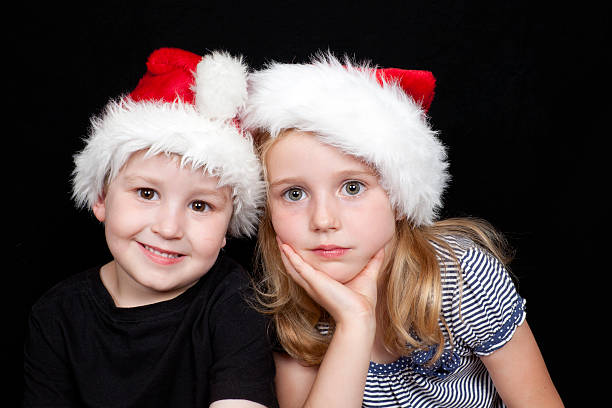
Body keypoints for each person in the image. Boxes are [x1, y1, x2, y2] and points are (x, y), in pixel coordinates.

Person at [242, 53, 563, 407]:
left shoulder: (462, 277)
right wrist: (354, 323)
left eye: (352, 187)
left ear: (399, 197)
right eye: (295, 193)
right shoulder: (286, 304)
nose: (322, 220)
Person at [23, 47, 276, 408]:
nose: (169, 228)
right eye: (146, 193)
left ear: (226, 231)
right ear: (101, 197)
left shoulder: (235, 303)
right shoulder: (58, 316)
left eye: (200, 205)